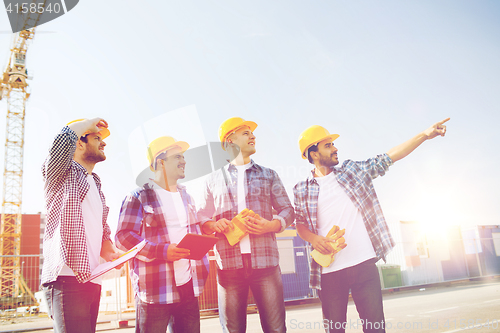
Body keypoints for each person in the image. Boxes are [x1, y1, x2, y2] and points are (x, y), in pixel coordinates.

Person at [293, 118, 450, 333]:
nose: (335, 148)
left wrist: (424, 135)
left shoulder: (353, 171)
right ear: (313, 153)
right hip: (329, 272)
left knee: (375, 328)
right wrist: (314, 239)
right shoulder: (301, 189)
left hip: (364, 264)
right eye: (328, 145)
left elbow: (389, 157)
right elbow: (300, 224)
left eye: (333, 143)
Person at [198, 117, 295, 333]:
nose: (253, 136)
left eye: (252, 133)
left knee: (276, 329)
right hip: (228, 267)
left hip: (266, 264)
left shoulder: (269, 175)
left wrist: (271, 225)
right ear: (229, 141)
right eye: (245, 133)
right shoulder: (212, 180)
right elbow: (202, 219)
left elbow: (288, 210)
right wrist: (214, 225)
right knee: (233, 330)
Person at [115, 136, 209, 333]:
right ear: (160, 162)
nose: (184, 161)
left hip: (188, 287)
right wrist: (161, 251)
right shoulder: (138, 197)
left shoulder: (187, 197)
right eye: (177, 157)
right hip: (156, 291)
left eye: (183, 156)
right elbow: (123, 237)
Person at [41, 118, 122, 333]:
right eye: (97, 138)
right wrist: (90, 122)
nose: (103, 143)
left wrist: (111, 250)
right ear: (78, 143)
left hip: (92, 278)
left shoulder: (95, 183)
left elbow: (102, 229)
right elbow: (60, 143)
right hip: (67, 278)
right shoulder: (62, 174)